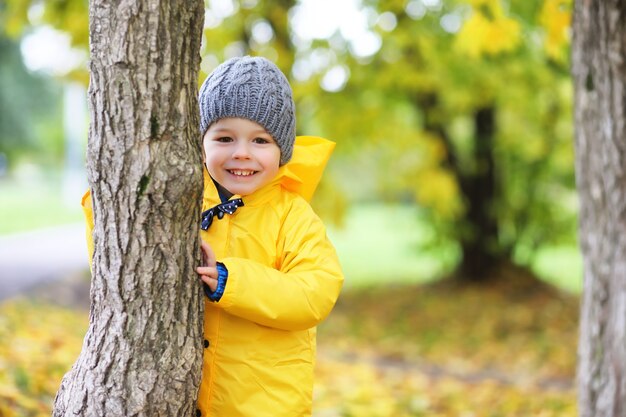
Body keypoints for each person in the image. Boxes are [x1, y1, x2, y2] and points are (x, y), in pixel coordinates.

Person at [193, 56, 343, 416]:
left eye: (260, 140)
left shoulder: (292, 215)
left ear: (283, 151)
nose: (241, 153)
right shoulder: (186, 201)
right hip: (191, 397)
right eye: (225, 137)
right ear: (201, 143)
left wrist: (233, 281)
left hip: (264, 403)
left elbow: (316, 291)